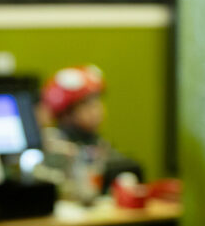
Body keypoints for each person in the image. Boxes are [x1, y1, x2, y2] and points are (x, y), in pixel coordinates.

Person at [40, 65, 142, 202]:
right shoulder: (53, 146)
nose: (97, 110)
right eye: (87, 104)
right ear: (65, 112)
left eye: (98, 101)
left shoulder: (98, 143)